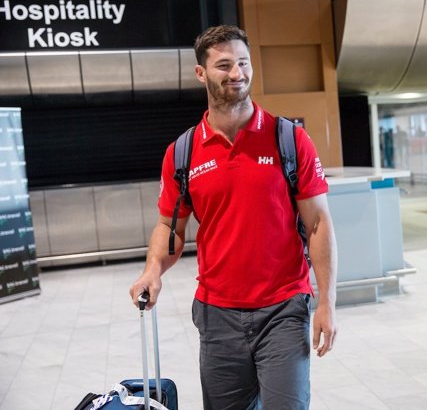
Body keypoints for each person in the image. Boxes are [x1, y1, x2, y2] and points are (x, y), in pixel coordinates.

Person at [129, 25, 338, 409]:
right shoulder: (183, 152)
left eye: (243, 62)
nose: (237, 73)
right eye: (224, 65)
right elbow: (169, 227)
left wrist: (326, 301)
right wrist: (152, 270)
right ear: (201, 73)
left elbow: (318, 223)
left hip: (283, 307)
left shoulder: (288, 139)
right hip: (217, 314)